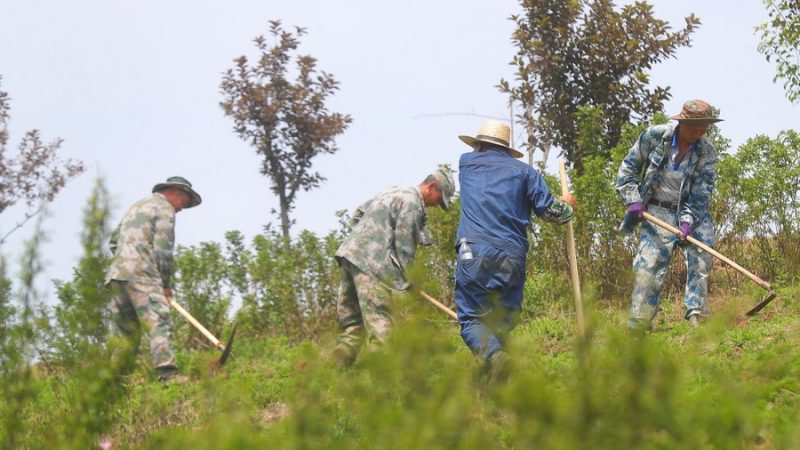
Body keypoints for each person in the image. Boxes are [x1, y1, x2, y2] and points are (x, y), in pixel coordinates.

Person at [454, 120, 575, 381]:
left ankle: (495, 359)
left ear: (479, 145)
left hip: (472, 250)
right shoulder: (526, 173)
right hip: (512, 255)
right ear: (507, 150)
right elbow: (554, 213)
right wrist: (567, 205)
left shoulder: (466, 163)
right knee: (502, 321)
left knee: (473, 319)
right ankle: (494, 382)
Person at [332, 165, 455, 366]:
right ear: (432, 187)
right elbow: (404, 245)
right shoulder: (413, 203)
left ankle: (333, 375)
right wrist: (411, 280)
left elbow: (358, 214)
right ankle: (379, 387)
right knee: (382, 326)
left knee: (353, 325)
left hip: (349, 256)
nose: (436, 205)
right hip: (371, 266)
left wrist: (364, 242)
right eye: (439, 199)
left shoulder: (394, 190)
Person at [615, 99, 722, 329]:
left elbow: (701, 193)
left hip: (691, 211)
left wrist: (687, 222)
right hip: (655, 209)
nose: (701, 131)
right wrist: (633, 199)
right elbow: (628, 168)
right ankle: (640, 321)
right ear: (682, 123)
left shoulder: (707, 152)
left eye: (705, 126)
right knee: (649, 264)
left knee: (701, 256)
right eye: (696, 126)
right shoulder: (654, 136)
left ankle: (697, 314)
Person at [106, 176, 202, 382]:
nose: (181, 209)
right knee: (158, 321)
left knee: (125, 331)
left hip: (116, 275)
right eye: (184, 203)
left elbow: (114, 242)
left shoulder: (136, 206)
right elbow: (163, 249)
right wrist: (165, 285)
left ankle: (117, 380)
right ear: (175, 192)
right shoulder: (164, 209)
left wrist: (127, 259)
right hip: (143, 275)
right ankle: (167, 374)